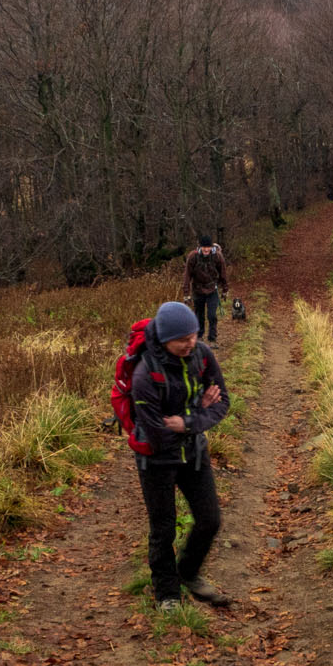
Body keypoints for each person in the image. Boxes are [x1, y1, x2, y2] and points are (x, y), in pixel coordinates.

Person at [131, 300, 234, 612]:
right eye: (182, 340)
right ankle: (167, 593)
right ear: (164, 339)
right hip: (157, 460)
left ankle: (187, 573)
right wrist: (198, 410)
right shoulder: (144, 375)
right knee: (163, 527)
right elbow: (159, 434)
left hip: (195, 454)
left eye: (193, 335)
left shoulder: (201, 354)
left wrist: (189, 421)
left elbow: (223, 401)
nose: (191, 343)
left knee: (210, 520)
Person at [181, 234, 230, 344]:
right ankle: (199, 336)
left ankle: (212, 338)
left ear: (211, 247)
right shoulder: (193, 256)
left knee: (212, 315)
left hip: (213, 289)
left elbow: (223, 273)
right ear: (200, 246)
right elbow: (187, 275)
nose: (206, 249)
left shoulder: (217, 256)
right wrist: (186, 293)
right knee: (199, 315)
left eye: (208, 247)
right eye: (204, 247)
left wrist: (225, 289)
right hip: (197, 290)